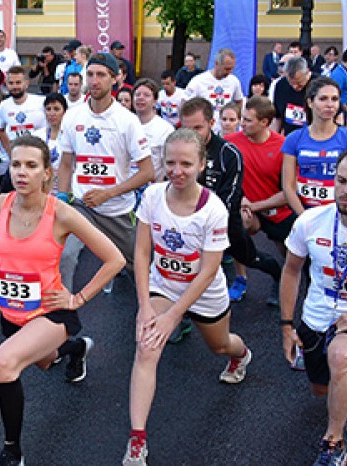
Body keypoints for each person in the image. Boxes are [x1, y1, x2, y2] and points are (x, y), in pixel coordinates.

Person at [0, 134, 125, 466]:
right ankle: (77, 349)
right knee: (42, 362)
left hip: (53, 312)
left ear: (47, 172)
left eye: (31, 165)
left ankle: (13, 449)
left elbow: (115, 259)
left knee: (4, 363)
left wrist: (78, 298)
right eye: (16, 164)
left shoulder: (62, 214)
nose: (21, 172)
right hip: (12, 312)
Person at [122, 129, 252, 466]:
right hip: (164, 285)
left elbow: (209, 270)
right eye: (170, 163)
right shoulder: (151, 196)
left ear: (202, 164)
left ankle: (243, 355)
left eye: (186, 163)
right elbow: (141, 251)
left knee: (221, 345)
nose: (177, 171)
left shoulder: (214, 210)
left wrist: (174, 315)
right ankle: (137, 439)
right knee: (146, 347)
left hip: (204, 292)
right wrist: (145, 306)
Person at [280, 145, 347, 466]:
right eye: (341, 181)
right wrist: (286, 325)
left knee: (340, 355)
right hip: (316, 314)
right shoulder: (311, 222)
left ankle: (334, 442)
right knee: (320, 389)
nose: (346, 191)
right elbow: (291, 270)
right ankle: (346, 374)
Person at [176, 98, 282, 332]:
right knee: (185, 269)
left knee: (250, 258)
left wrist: (205, 220)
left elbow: (230, 198)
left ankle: (279, 275)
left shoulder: (228, 153)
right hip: (188, 225)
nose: (191, 134)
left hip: (224, 225)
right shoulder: (178, 148)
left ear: (211, 123)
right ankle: (182, 319)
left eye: (197, 128)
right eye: (186, 128)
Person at [57, 53, 153, 292]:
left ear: (114, 79)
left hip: (117, 210)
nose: (94, 80)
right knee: (64, 256)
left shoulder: (127, 121)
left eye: (101, 75)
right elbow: (67, 162)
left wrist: (108, 193)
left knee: (140, 267)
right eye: (90, 74)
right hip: (82, 206)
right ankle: (63, 318)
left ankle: (156, 314)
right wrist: (62, 197)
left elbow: (147, 171)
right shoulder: (73, 116)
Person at [226, 96, 293, 307]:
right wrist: (242, 201)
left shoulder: (283, 146)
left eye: (247, 120)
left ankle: (280, 277)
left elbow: (288, 192)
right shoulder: (232, 141)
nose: (242, 124)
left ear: (264, 122)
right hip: (247, 208)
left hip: (276, 209)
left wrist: (256, 206)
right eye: (242, 119)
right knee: (238, 232)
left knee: (287, 251)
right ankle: (241, 278)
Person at [281, 77, 347, 216]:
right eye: (323, 98)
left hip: (340, 213)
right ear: (310, 102)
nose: (330, 104)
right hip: (304, 212)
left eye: (334, 99)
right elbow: (288, 186)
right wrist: (304, 217)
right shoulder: (293, 139)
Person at [185, 48, 244, 133]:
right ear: (217, 64)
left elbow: (239, 100)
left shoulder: (234, 81)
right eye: (227, 69)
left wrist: (236, 119)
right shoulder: (198, 81)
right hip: (206, 132)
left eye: (231, 69)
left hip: (226, 132)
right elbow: (185, 103)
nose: (229, 72)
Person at [0, 66, 47, 154]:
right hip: (18, 154)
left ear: (26, 83)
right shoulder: (3, 106)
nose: (15, 86)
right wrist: (9, 150)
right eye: (11, 83)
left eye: (18, 82)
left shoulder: (41, 102)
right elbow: (0, 129)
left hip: (39, 152)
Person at [133, 78, 174, 183]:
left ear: (155, 101)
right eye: (137, 95)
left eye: (146, 95)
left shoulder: (165, 129)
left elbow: (167, 165)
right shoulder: (125, 124)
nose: (140, 98)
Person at [33, 92, 68, 193]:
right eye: (48, 109)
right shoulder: (37, 136)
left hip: (65, 189)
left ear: (64, 111)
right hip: (43, 189)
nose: (52, 113)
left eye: (56, 109)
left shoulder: (70, 135)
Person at [271, 56, 314, 136]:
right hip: (289, 136)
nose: (295, 87)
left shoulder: (320, 85)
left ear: (307, 72)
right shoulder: (281, 85)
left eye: (299, 83)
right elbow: (277, 117)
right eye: (291, 83)